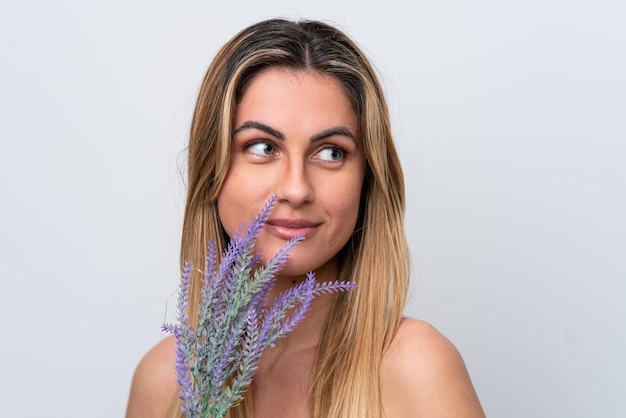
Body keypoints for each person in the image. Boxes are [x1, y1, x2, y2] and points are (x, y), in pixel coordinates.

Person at [126, 18, 485, 418]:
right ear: (211, 170)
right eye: (262, 146)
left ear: (367, 180)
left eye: (331, 152)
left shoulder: (416, 367)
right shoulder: (163, 382)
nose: (296, 189)